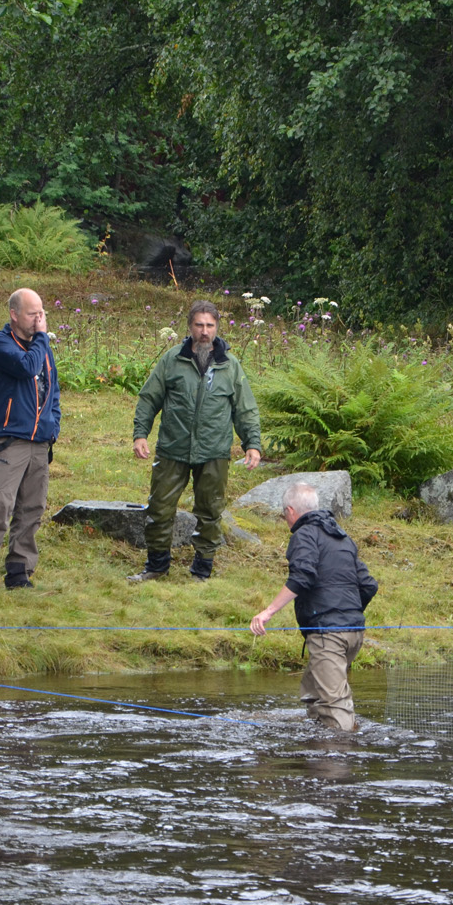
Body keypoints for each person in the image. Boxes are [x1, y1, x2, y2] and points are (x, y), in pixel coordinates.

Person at [129, 299, 262, 581]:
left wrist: (252, 444)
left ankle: (202, 570)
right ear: (189, 327)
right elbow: (148, 398)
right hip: (172, 449)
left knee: (211, 511)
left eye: (210, 325)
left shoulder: (231, 366)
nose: (204, 331)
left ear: (217, 328)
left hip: (214, 451)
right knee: (160, 509)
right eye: (199, 325)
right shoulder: (171, 360)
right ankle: (156, 567)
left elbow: (245, 409)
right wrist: (140, 433)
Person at [250, 483, 378, 732]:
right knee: (313, 693)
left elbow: (302, 576)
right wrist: (348, 615)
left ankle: (338, 759)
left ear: (290, 511)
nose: (285, 519)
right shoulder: (342, 538)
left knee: (335, 707)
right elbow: (368, 585)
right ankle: (315, 745)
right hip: (354, 633)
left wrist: (268, 612)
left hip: (327, 634)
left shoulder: (304, 534)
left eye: (283, 514)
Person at [0, 287, 58, 590]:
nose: (39, 320)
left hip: (39, 443)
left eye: (42, 313)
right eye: (33, 314)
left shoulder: (42, 349)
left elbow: (52, 390)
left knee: (32, 509)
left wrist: (52, 426)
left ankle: (19, 572)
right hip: (7, 440)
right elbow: (25, 368)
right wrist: (42, 338)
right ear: (14, 315)